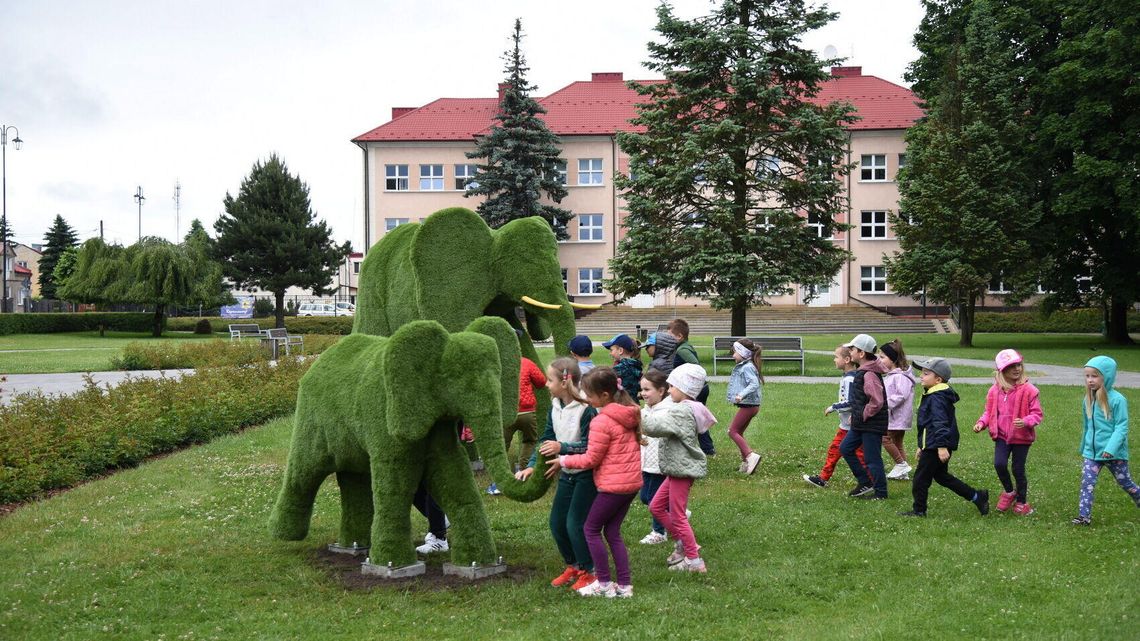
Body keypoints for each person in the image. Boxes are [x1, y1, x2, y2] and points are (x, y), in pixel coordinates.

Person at [558, 367, 643, 598]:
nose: (586, 398)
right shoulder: (629, 412)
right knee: (613, 532)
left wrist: (563, 459)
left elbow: (591, 458)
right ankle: (624, 586)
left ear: (604, 396)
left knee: (590, 529)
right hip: (631, 484)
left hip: (612, 487)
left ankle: (604, 583)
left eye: (589, 394)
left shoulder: (602, 421)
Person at [516, 357, 598, 589]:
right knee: (556, 523)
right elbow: (546, 438)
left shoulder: (586, 409)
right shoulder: (555, 406)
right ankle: (573, 565)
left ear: (565, 382)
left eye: (550, 380)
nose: (546, 384)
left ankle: (589, 571)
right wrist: (532, 464)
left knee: (575, 524)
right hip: (567, 474)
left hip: (585, 475)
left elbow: (591, 445)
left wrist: (563, 448)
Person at [643, 363, 714, 574]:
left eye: (672, 386)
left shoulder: (682, 411)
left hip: (682, 470)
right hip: (676, 468)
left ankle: (694, 560)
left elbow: (654, 427)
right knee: (656, 507)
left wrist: (634, 413)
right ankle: (684, 543)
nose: (669, 390)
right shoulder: (684, 407)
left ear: (685, 389)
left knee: (678, 515)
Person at [900, 357, 989, 517]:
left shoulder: (937, 398)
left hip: (937, 445)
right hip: (933, 444)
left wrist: (941, 447)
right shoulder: (933, 394)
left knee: (920, 480)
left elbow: (940, 423)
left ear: (938, 379)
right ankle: (977, 497)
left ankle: (919, 510)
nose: (921, 376)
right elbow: (926, 424)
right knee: (941, 476)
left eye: (926, 374)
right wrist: (922, 446)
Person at [972, 349, 1043, 515]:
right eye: (1011, 366)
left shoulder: (1029, 390)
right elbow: (989, 412)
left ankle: (1022, 502)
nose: (1017, 369)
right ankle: (1010, 491)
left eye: (1018, 365)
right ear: (1002, 371)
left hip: (1021, 437)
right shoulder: (994, 391)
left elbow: (1037, 414)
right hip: (1002, 436)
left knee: (1018, 469)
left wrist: (1025, 421)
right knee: (999, 464)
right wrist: (982, 423)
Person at [1072, 356, 1140, 525]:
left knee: (1125, 482)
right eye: (1087, 376)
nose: (1090, 380)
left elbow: (1121, 427)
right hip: (1092, 453)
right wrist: (1085, 447)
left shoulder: (1117, 400)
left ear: (1107, 376)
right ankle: (1084, 517)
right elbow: (1087, 426)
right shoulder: (1088, 399)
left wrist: (1111, 448)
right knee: (1087, 482)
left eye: (1094, 376)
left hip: (1114, 453)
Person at [804, 345, 868, 488]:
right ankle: (823, 478)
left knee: (859, 454)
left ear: (846, 360)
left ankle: (870, 481)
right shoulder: (848, 377)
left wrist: (833, 407)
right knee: (835, 450)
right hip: (845, 425)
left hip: (853, 425)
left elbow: (851, 403)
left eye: (836, 357)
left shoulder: (851, 380)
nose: (834, 360)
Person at [838, 334, 890, 499]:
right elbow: (862, 399)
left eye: (852, 349)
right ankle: (865, 481)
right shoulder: (862, 372)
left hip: (871, 423)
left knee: (872, 459)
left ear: (861, 354)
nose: (850, 351)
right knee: (845, 448)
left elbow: (876, 402)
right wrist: (857, 414)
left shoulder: (869, 374)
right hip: (862, 421)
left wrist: (863, 414)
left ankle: (881, 492)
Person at [489, 356, 546, 495]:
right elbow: (541, 382)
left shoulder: (498, 362)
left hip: (507, 412)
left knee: (502, 446)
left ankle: (501, 481)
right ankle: (523, 474)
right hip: (527, 412)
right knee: (529, 441)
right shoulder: (526, 362)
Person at [668, 319, 715, 455]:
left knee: (696, 418)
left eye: (670, 336)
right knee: (696, 418)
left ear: (679, 336)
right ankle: (705, 448)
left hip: (695, 390)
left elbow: (695, 365)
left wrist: (685, 377)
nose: (668, 339)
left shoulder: (683, 350)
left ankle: (707, 449)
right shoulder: (683, 347)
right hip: (696, 389)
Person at [637, 369, 673, 544]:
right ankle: (674, 511)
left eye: (647, 389)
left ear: (661, 390)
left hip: (660, 464)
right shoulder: (645, 411)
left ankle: (659, 532)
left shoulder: (668, 411)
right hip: (646, 462)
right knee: (644, 497)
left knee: (653, 501)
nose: (643, 393)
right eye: (642, 389)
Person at [880, 339, 917, 480]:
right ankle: (903, 473)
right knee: (897, 443)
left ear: (893, 359)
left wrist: (884, 404)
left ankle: (901, 464)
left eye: (882, 357)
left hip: (897, 416)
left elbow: (901, 395)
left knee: (884, 438)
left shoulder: (900, 377)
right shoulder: (893, 375)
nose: (879, 359)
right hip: (896, 416)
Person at [726, 338, 763, 474]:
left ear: (743, 353)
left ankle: (750, 456)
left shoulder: (747, 367)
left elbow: (754, 384)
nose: (733, 355)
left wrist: (741, 394)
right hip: (751, 405)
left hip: (749, 405)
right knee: (739, 432)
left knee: (732, 431)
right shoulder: (746, 365)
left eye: (734, 352)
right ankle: (746, 464)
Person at [603, 334, 643, 401]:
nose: (610, 353)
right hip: (633, 403)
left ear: (620, 350)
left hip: (621, 404)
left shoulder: (618, 369)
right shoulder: (636, 366)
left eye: (611, 350)